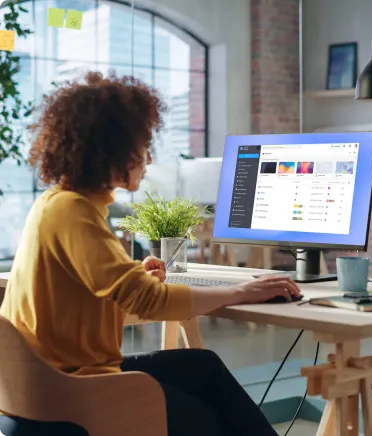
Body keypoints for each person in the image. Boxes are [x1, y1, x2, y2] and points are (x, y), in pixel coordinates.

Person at [0, 72, 301, 436]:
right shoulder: (72, 211)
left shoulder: (59, 204)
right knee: (212, 420)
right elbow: (147, 301)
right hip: (71, 390)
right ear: (111, 153)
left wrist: (136, 273)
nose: (146, 157)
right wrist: (241, 291)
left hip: (53, 380)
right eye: (140, 147)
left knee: (204, 367)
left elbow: (93, 285)